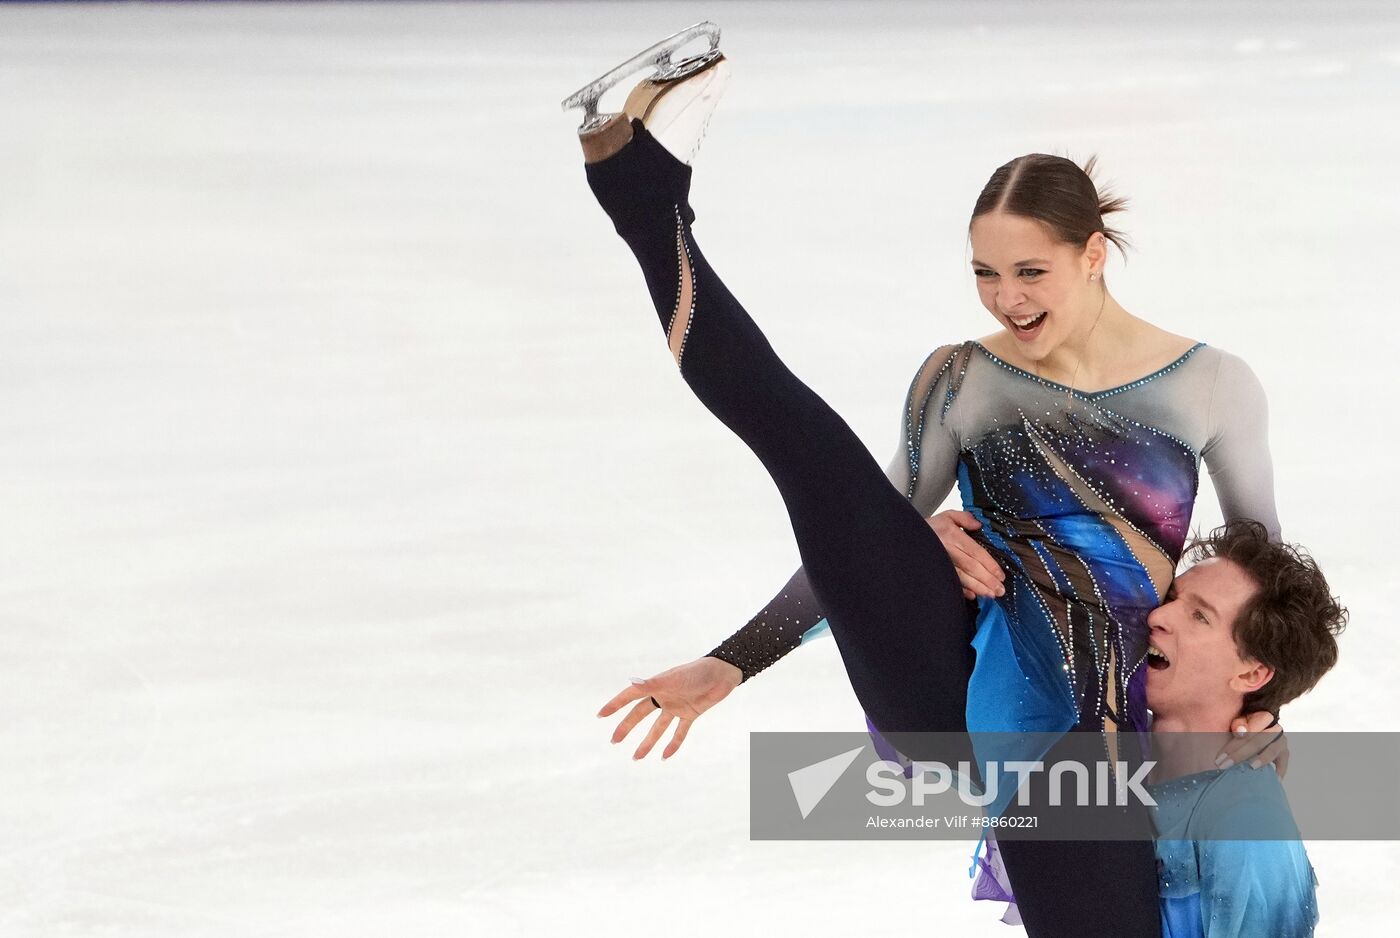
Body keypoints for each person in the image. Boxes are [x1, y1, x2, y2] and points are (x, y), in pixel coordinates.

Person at [570, 34, 1283, 938]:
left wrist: (1261, 712)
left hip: (1090, 719)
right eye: (985, 273)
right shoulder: (961, 379)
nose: (1006, 300)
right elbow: (863, 541)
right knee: (802, 444)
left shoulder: (1207, 384)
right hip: (943, 666)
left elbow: (1271, 580)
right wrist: (738, 659)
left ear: (1093, 254)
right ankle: (639, 191)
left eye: (1031, 272)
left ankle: (638, 187)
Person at [972, 519, 1345, 936]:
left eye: (1200, 616)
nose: (1160, 615)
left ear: (1252, 674)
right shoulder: (1110, 745)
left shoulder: (1247, 820)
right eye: (1172, 597)